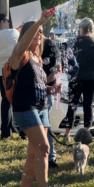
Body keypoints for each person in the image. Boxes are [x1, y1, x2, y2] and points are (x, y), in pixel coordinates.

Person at [11, 11, 65, 187]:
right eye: (36, 32)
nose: (40, 34)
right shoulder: (20, 54)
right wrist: (39, 21)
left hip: (40, 108)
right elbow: (21, 44)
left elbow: (38, 85)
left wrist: (51, 89)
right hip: (25, 108)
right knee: (44, 148)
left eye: (42, 31)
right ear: (26, 34)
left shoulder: (37, 58)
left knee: (34, 153)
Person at [59, 18, 94, 142]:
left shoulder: (74, 42)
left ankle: (67, 135)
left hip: (76, 77)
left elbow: (64, 55)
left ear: (81, 28)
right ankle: (86, 134)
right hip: (92, 77)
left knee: (72, 105)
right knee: (88, 105)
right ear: (92, 28)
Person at [0, 13, 26, 140]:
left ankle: (5, 132)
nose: (8, 23)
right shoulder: (11, 33)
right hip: (15, 70)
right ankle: (23, 131)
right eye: (7, 21)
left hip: (1, 72)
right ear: (2, 22)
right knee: (20, 100)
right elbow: (20, 39)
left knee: (6, 101)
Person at [41, 37, 61, 168]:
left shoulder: (49, 44)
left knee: (45, 124)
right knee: (42, 126)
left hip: (46, 92)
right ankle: (45, 155)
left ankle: (50, 156)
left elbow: (57, 68)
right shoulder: (27, 48)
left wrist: (43, 84)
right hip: (43, 91)